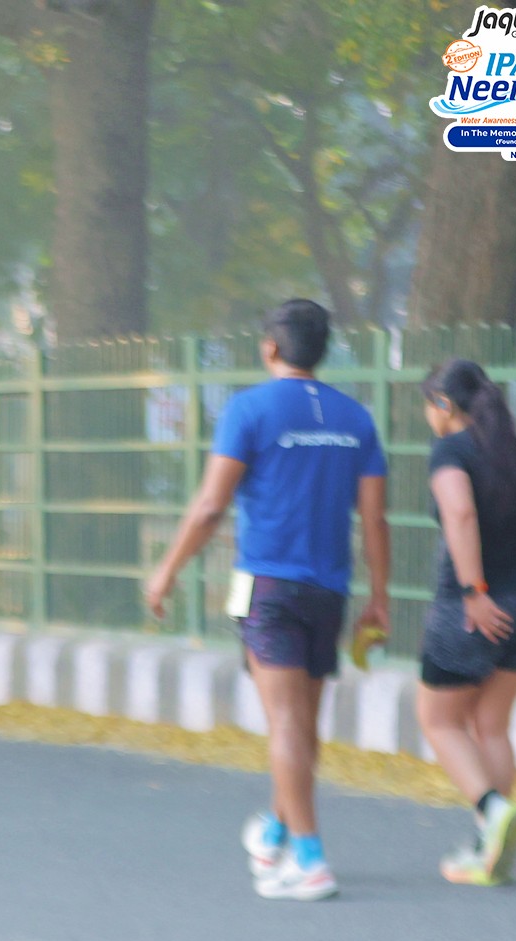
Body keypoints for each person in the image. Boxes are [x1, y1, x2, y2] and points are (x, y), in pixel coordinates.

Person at [146, 298, 389, 902]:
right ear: (322, 350)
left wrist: (167, 570)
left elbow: (210, 505)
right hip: (330, 589)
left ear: (270, 348)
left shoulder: (248, 409)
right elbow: (374, 518)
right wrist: (380, 595)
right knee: (303, 724)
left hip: (267, 587)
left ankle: (310, 859)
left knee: (284, 723)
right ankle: (278, 831)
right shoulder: (356, 418)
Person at [413, 359, 516, 886]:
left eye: (427, 405)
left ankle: (493, 811)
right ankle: (488, 847)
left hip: (473, 606)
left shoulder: (451, 450)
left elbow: (460, 514)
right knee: (490, 724)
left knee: (438, 720)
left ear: (444, 404)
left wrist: (474, 590)